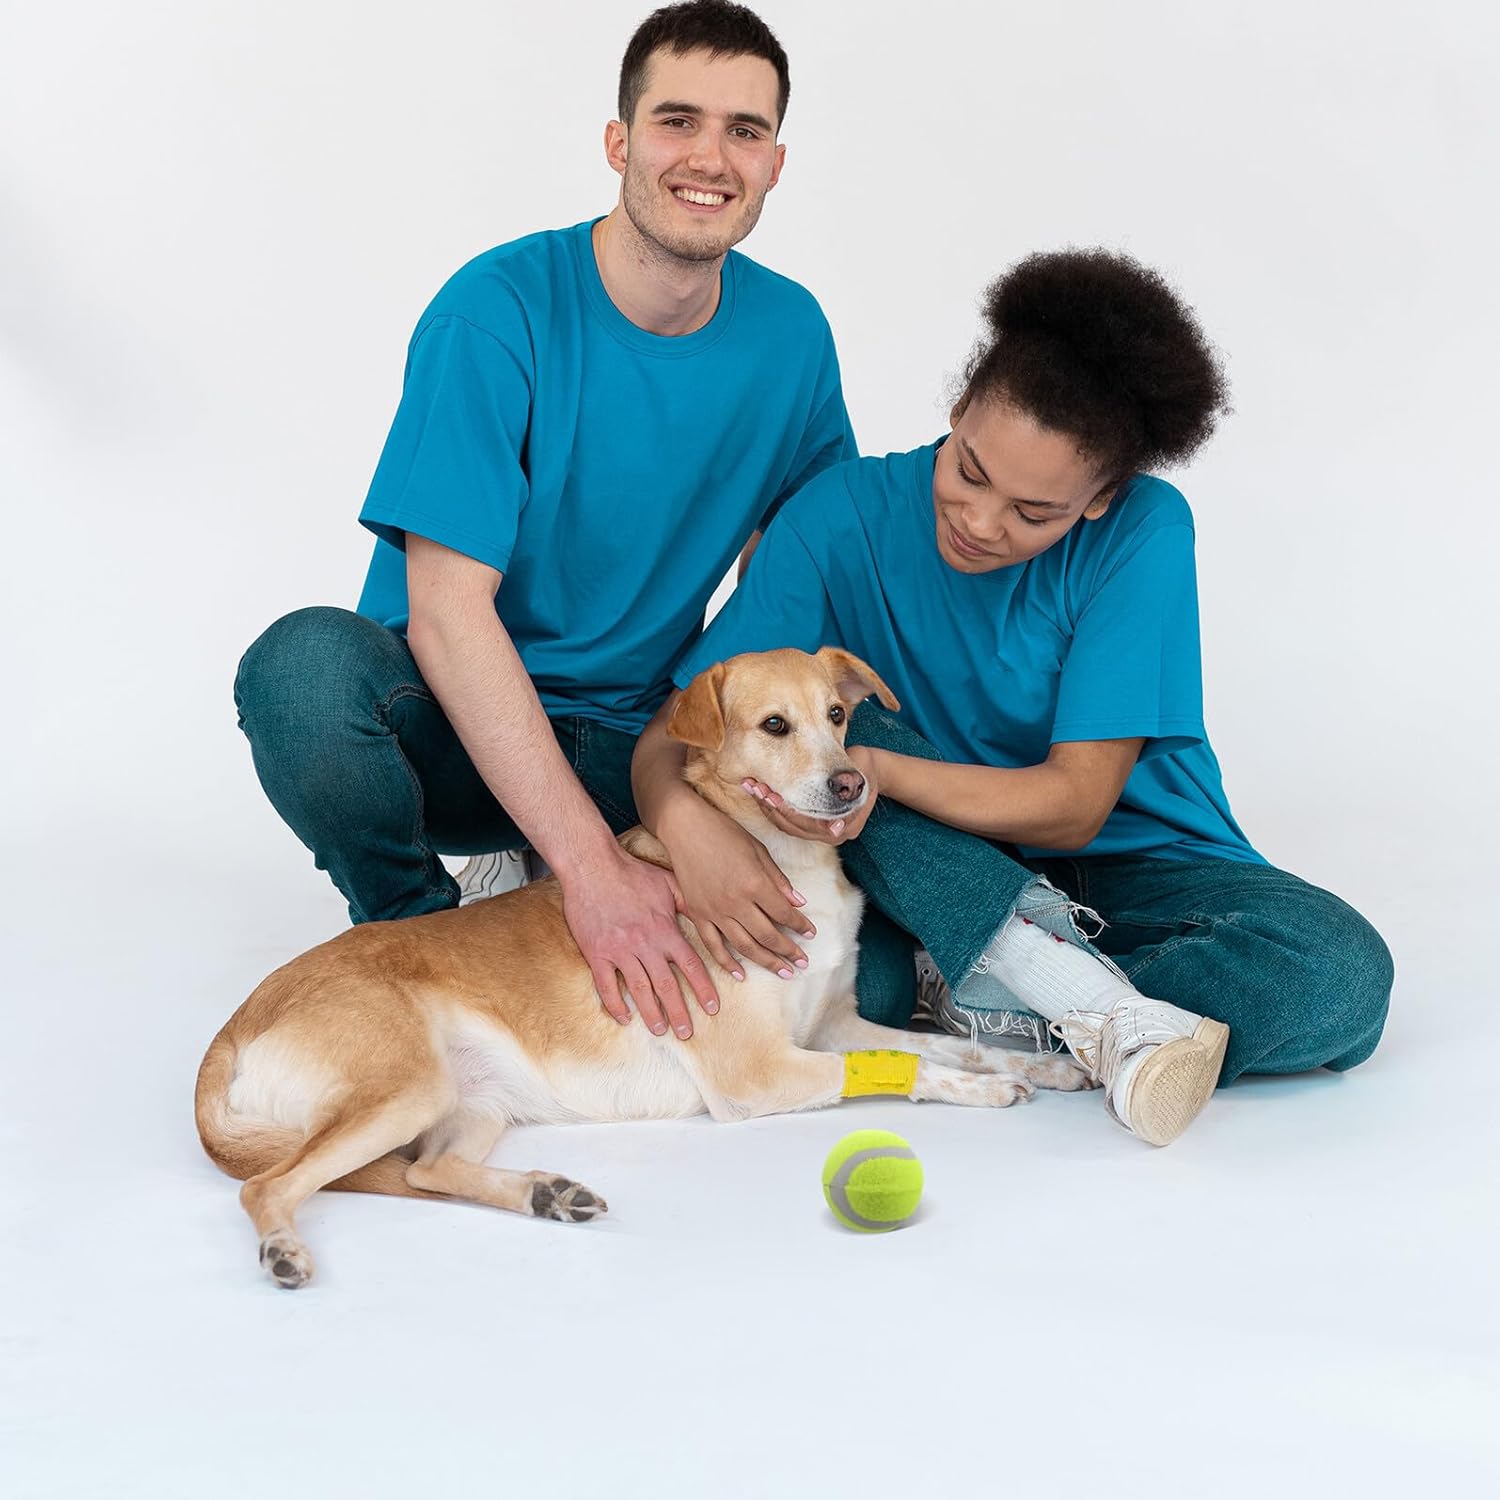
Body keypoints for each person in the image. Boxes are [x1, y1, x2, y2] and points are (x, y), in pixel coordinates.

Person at [631, 248, 1393, 1146]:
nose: (981, 522)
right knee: (845, 792)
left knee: (1338, 979)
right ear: (957, 412)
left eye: (1034, 513)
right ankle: (1085, 1009)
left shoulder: (1144, 531)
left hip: (1139, 866)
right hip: (921, 861)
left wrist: (878, 769)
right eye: (970, 471)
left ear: (1101, 498)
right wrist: (689, 832)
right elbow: (685, 730)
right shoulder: (836, 517)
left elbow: (1074, 807)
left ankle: (1025, 988)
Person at [233, 1, 852, 1043]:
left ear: (775, 164)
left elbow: (796, 582)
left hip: (637, 737)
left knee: (873, 734)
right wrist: (595, 871)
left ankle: (997, 957)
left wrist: (691, 797)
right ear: (619, 142)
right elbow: (445, 617)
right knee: (300, 672)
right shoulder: (496, 310)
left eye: (744, 131)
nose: (711, 158)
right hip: (451, 730)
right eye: (678, 121)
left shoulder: (791, 334)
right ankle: (424, 934)